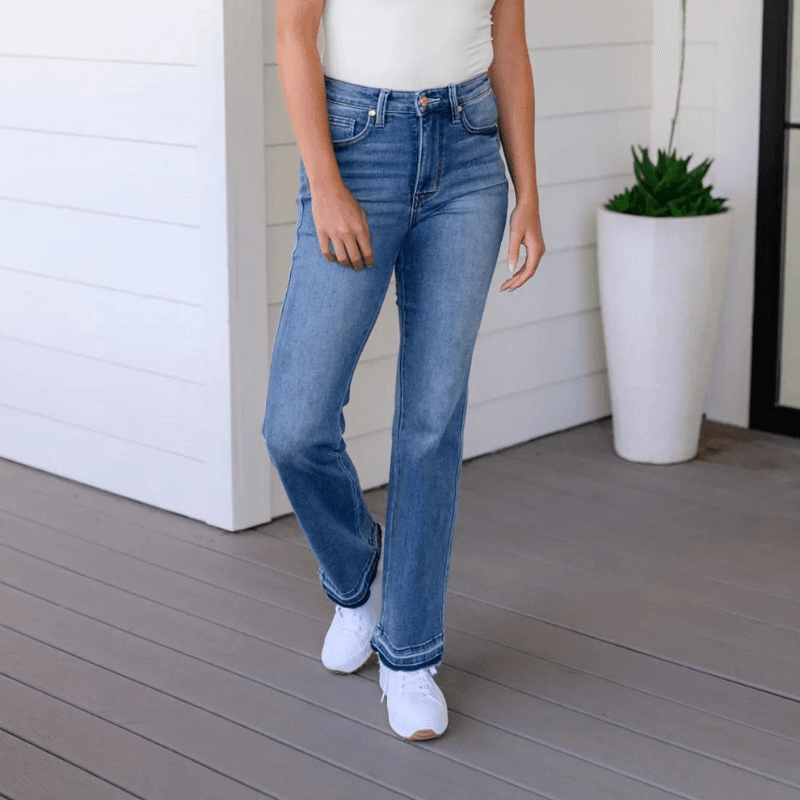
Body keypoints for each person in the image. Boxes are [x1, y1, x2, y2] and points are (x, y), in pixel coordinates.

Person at [264, 0, 545, 741]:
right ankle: (357, 577)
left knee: (430, 424)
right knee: (295, 425)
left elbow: (509, 47)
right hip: (358, 146)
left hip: (470, 156)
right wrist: (326, 181)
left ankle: (410, 655)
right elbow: (293, 35)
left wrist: (528, 192)